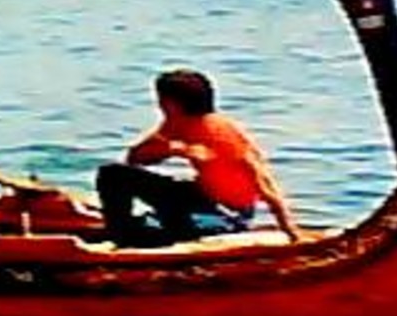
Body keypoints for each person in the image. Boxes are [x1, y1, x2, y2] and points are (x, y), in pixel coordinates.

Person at [95, 69, 302, 247]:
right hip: (198, 196)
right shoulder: (177, 124)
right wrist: (171, 149)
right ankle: (121, 233)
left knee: (162, 230)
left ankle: (139, 235)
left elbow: (264, 182)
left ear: (172, 104)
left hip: (226, 214)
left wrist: (290, 230)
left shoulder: (221, 135)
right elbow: (135, 158)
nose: (159, 106)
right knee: (112, 174)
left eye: (161, 101)